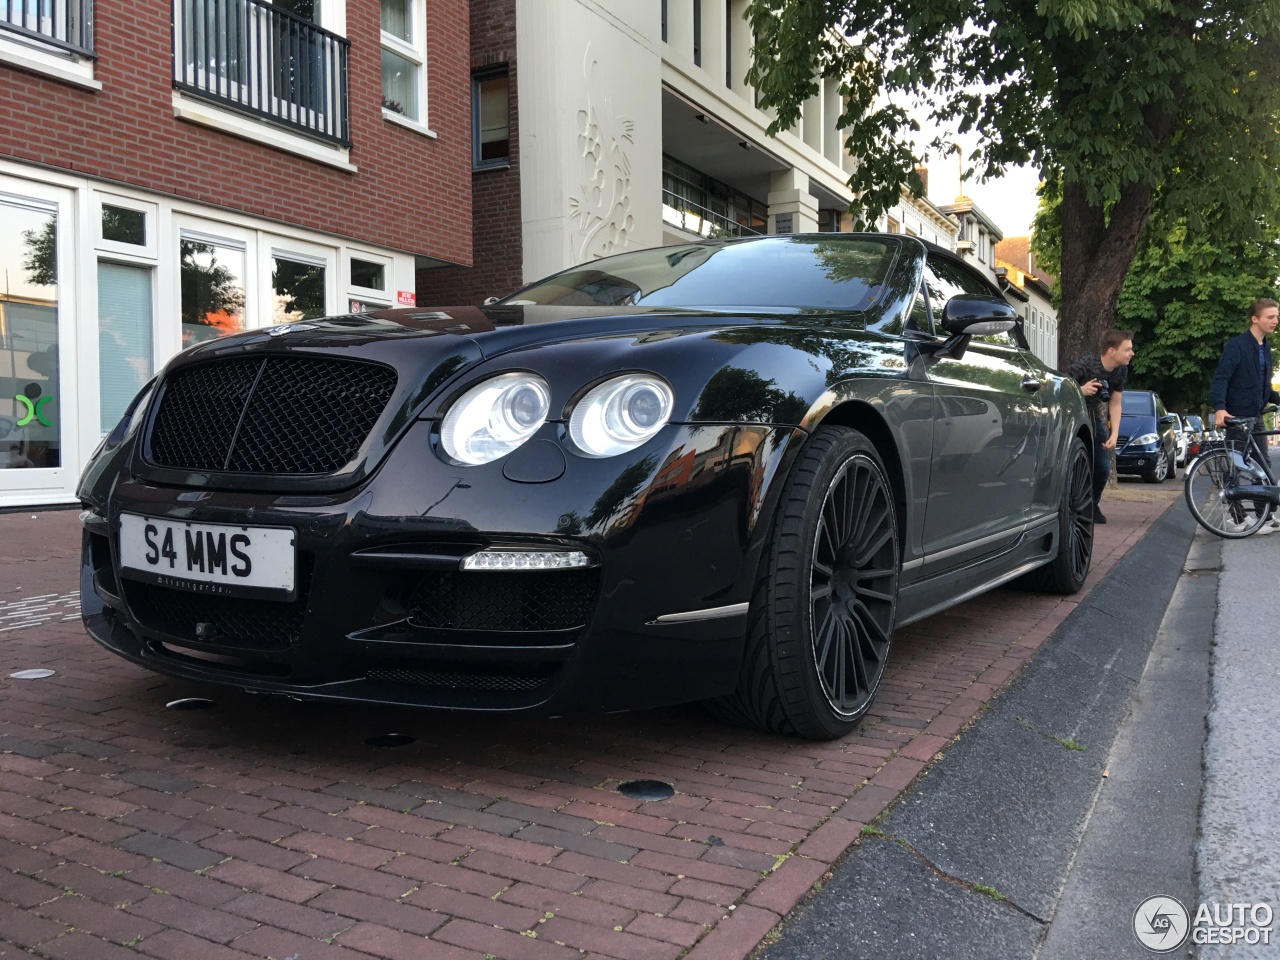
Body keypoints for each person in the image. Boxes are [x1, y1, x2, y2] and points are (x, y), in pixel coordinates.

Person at [1210, 297, 1280, 529]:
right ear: (1255, 319)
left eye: (1277, 316)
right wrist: (1220, 408)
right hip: (1237, 416)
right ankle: (1239, 517)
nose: (1275, 321)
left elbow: (1263, 386)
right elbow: (1221, 378)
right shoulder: (1237, 345)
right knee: (1236, 467)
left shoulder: (1264, 346)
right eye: (1270, 317)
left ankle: (1264, 515)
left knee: (1262, 465)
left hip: (1255, 415)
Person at [1066, 329, 1135, 524]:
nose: (1132, 353)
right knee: (1075, 462)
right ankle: (1070, 505)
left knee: (1103, 466)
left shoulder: (1121, 370)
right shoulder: (1084, 365)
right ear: (1111, 351)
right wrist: (1080, 390)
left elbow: (1115, 402)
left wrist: (1114, 433)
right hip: (1071, 415)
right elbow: (1058, 387)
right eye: (1127, 349)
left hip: (1093, 416)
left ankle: (1091, 504)